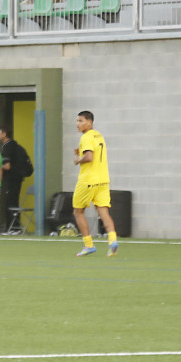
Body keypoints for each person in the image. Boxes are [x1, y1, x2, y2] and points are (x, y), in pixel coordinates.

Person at [72, 110, 118, 256]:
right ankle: (113, 241)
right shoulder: (98, 135)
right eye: (77, 121)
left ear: (90, 122)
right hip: (103, 180)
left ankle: (88, 245)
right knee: (103, 212)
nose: (77, 124)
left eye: (81, 121)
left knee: (78, 212)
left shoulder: (86, 137)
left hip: (88, 180)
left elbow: (89, 157)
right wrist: (80, 153)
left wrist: (77, 160)